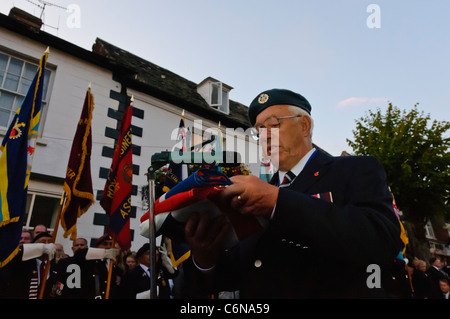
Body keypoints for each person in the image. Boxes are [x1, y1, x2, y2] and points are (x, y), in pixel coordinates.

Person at [185, 88, 403, 298]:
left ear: (305, 126)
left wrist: (277, 202)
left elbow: (382, 239)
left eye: (273, 124)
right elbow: (242, 273)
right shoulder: (254, 194)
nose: (265, 136)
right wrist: (205, 258)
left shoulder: (354, 169)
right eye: (258, 130)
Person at [0, 232, 56, 299]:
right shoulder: (22, 262)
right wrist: (41, 248)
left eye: (50, 242)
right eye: (42, 242)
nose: (47, 245)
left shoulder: (55, 265)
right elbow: (13, 254)